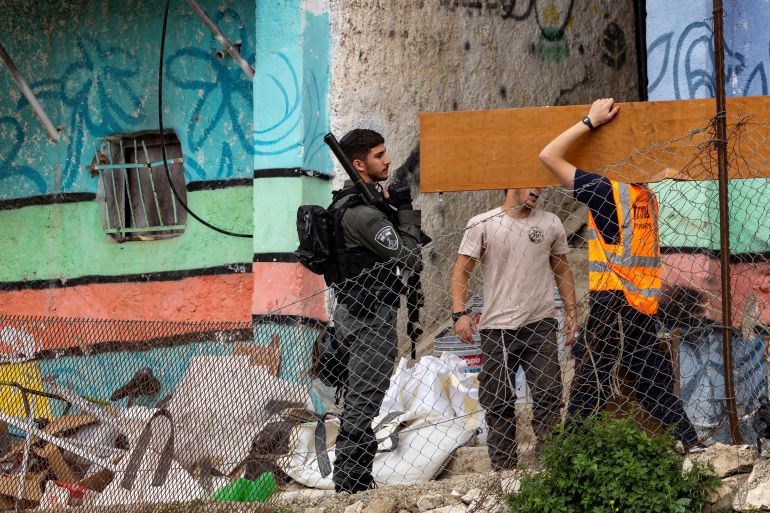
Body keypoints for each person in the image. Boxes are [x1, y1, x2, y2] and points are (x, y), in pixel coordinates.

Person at [538, 97, 698, 447]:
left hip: (612, 300)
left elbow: (548, 156)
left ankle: (571, 454)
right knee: (652, 383)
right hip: (641, 302)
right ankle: (691, 443)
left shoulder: (607, 193)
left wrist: (589, 122)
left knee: (591, 383)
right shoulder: (645, 195)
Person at [450, 188, 577, 470]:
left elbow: (562, 268)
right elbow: (462, 269)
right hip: (498, 328)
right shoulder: (483, 223)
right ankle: (504, 470)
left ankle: (552, 465)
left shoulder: (550, 222)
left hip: (540, 324)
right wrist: (460, 313)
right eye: (530, 181)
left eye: (541, 184)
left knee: (549, 394)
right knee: (498, 400)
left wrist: (571, 311)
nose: (538, 189)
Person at [330, 129, 422, 493]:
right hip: (369, 319)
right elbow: (410, 257)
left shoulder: (349, 205)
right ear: (358, 164)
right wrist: (403, 210)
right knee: (362, 403)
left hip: (354, 313)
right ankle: (352, 484)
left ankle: (354, 479)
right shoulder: (363, 215)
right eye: (379, 155)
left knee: (360, 399)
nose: (387, 161)